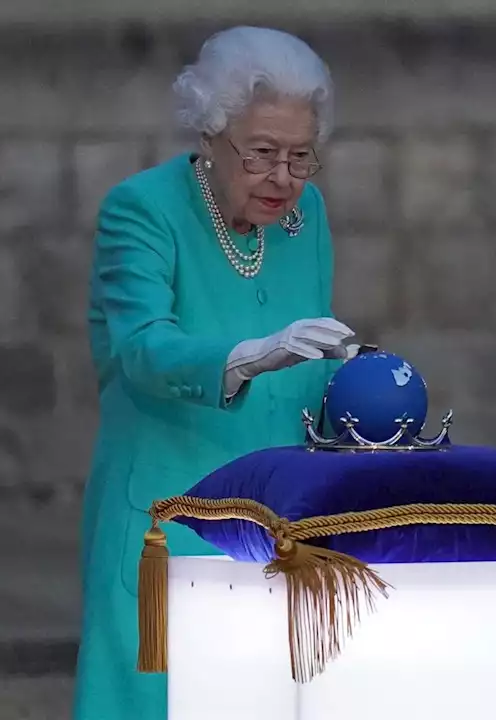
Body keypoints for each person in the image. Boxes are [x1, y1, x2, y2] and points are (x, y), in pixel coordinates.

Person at [74, 27, 356, 720]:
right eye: (261, 154)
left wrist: (366, 406)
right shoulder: (142, 210)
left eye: (300, 156)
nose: (283, 178)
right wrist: (249, 356)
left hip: (279, 527)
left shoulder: (305, 215)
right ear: (209, 132)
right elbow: (141, 348)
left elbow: (311, 362)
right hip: (168, 525)